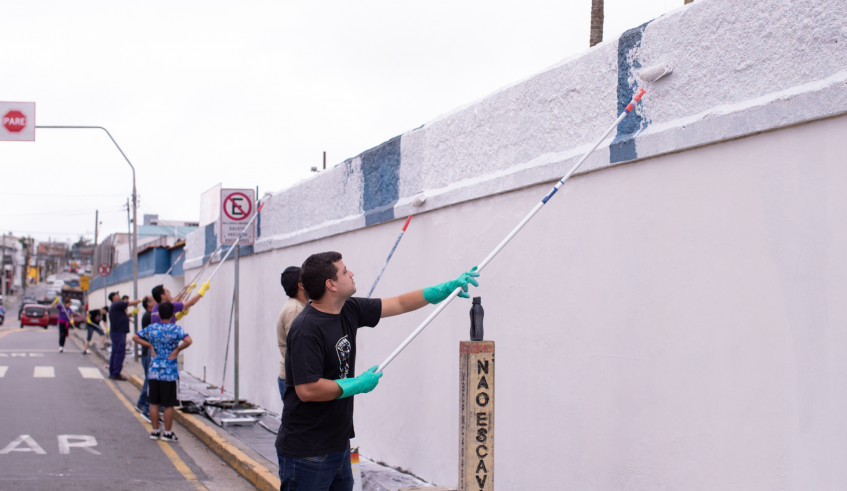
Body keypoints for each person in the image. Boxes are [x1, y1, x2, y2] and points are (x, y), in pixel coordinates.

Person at [276, 251, 479, 491]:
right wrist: (357, 384)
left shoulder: (348, 309)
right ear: (330, 284)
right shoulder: (305, 329)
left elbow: (399, 303)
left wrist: (443, 290)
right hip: (307, 453)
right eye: (344, 271)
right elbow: (307, 389)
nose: (351, 273)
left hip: (338, 445)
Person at [132, 301, 192, 442]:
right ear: (172, 314)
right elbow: (189, 341)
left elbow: (135, 337)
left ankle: (155, 431)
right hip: (170, 373)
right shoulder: (176, 329)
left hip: (154, 371)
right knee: (168, 404)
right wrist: (177, 350)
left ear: (158, 315)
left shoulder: (152, 328)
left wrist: (150, 346)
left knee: (153, 402)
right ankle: (168, 433)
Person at [277, 266, 309, 403]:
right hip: (294, 381)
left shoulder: (298, 306)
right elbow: (298, 350)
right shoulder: (295, 310)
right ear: (301, 285)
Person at [107, 292, 142, 380]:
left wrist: (131, 314)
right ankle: (116, 373)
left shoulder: (116, 307)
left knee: (115, 353)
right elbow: (131, 303)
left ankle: (113, 371)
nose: (119, 296)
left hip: (117, 332)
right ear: (113, 297)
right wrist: (142, 300)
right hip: (119, 333)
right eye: (117, 294)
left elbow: (125, 316)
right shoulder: (117, 304)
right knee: (119, 353)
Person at [135, 297, 155, 421]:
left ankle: (141, 404)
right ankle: (146, 409)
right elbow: (136, 337)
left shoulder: (149, 314)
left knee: (149, 380)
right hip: (147, 353)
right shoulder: (149, 316)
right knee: (150, 381)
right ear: (148, 304)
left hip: (146, 352)